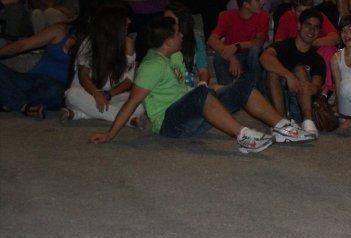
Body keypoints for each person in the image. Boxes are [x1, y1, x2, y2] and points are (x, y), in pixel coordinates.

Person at [90, 17, 313, 154]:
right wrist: (110, 135)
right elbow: (132, 102)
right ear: (167, 42)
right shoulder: (151, 66)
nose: (182, 35)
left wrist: (216, 90)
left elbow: (181, 90)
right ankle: (245, 137)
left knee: (242, 86)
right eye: (177, 33)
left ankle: (282, 128)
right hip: (169, 124)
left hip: (190, 111)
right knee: (201, 92)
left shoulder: (174, 56)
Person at [61, 4, 144, 125]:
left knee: (140, 105)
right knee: (72, 94)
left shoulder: (128, 44)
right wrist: (96, 93)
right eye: (124, 18)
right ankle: (129, 120)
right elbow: (83, 75)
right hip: (87, 93)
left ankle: (80, 114)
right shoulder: (90, 42)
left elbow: (128, 81)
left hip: (110, 96)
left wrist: (108, 94)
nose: (129, 21)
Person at [260, 8, 327, 138]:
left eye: (316, 27)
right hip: (276, 96)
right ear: (299, 25)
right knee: (272, 71)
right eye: (308, 25)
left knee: (300, 70)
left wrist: (306, 84)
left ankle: (307, 121)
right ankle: (280, 123)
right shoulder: (284, 46)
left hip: (300, 104)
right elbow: (264, 58)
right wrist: (288, 75)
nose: (311, 30)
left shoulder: (317, 59)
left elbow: (316, 86)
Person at [0, 21, 74, 118]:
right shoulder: (59, 30)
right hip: (31, 80)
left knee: (60, 92)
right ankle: (22, 105)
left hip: (54, 89)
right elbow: (21, 45)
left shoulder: (90, 45)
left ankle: (9, 100)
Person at [274, 0, 338, 93]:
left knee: (329, 49)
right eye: (300, 11)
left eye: (307, 11)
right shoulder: (287, 17)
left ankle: (326, 90)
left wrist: (313, 42)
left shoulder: (318, 16)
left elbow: (335, 37)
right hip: (295, 55)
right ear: (293, 10)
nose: (304, 15)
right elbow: (278, 43)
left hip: (315, 55)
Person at [207, 0, 268, 94]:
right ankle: (227, 94)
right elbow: (211, 40)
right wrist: (232, 58)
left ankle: (255, 92)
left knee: (255, 50)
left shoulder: (262, 15)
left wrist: (237, 46)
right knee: (219, 56)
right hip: (233, 57)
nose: (262, 2)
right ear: (246, 5)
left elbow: (259, 41)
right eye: (258, 0)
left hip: (251, 58)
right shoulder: (227, 16)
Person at [164, 2, 210, 88]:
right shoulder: (162, 40)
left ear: (181, 20)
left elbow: (203, 71)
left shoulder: (195, 40)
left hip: (188, 89)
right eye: (165, 20)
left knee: (217, 89)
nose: (166, 23)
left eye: (170, 19)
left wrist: (202, 87)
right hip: (168, 90)